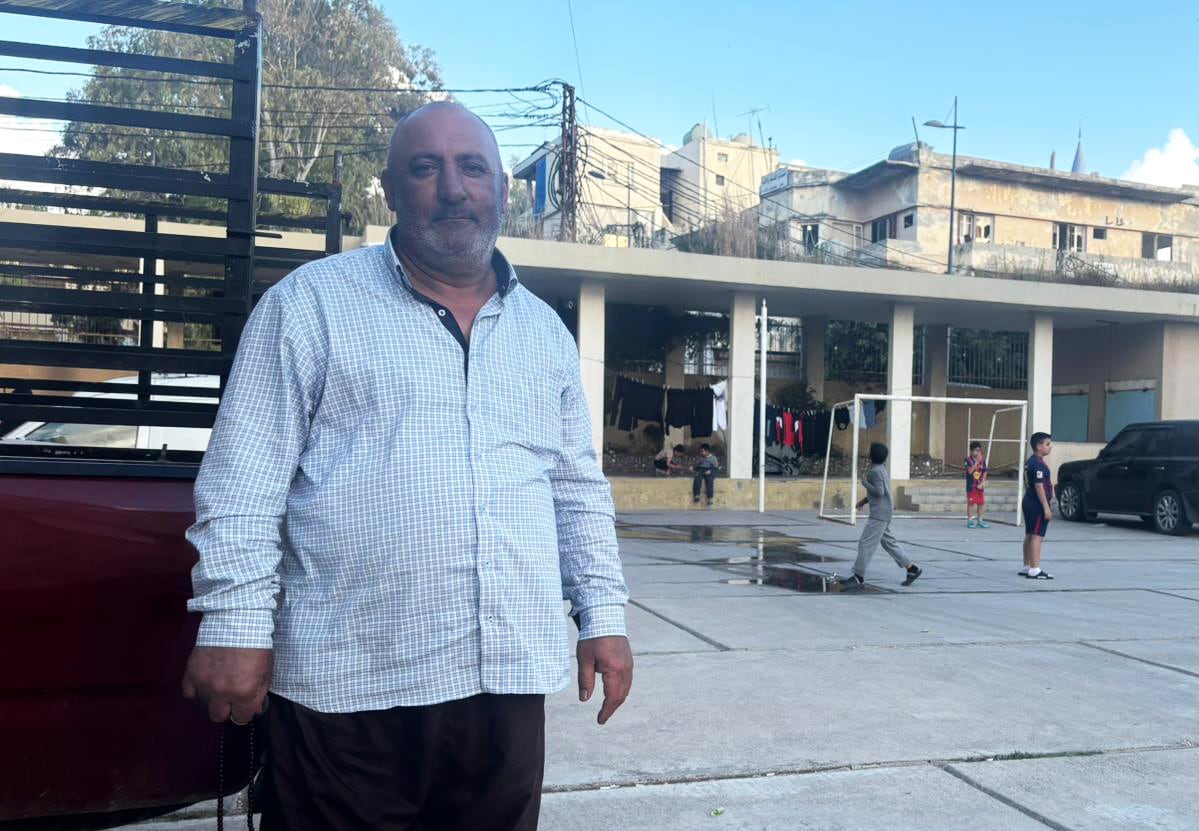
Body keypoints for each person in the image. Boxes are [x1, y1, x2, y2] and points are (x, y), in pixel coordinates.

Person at [180, 102, 633, 831]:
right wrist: (233, 625)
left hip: (505, 682)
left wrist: (602, 619)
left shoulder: (543, 331)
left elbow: (576, 489)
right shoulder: (310, 305)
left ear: (502, 191)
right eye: (425, 168)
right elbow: (243, 482)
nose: (452, 187)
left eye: (472, 167)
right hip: (348, 685)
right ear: (389, 190)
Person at [839, 442, 922, 589]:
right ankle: (911, 569)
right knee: (889, 543)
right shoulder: (882, 469)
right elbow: (880, 492)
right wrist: (864, 501)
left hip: (879, 514)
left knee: (865, 543)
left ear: (871, 456)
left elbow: (879, 491)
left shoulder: (875, 472)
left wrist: (864, 483)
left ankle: (858, 577)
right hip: (884, 511)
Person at [1022, 432, 1055, 579]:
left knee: (1029, 534)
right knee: (1037, 535)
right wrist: (1046, 507)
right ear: (1039, 446)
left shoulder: (1030, 461)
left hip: (1029, 501)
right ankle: (1034, 569)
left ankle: (1027, 565)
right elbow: (1039, 486)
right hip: (1036, 504)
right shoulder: (1038, 464)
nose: (1050, 447)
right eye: (1047, 444)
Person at [965, 440, 989, 528]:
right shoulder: (967, 460)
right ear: (971, 451)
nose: (977, 452)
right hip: (971, 486)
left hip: (980, 486)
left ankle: (980, 520)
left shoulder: (983, 460)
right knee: (971, 504)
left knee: (981, 503)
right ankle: (970, 520)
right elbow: (970, 471)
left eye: (979, 450)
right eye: (975, 450)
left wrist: (982, 483)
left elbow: (985, 472)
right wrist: (976, 462)